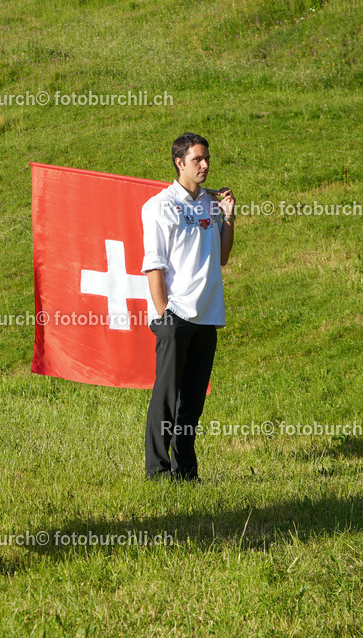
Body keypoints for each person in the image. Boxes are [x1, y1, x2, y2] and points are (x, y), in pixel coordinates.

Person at [140, 132, 235, 482]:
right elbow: (154, 263)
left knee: (192, 401)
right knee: (166, 397)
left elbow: (222, 258)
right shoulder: (160, 206)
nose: (206, 164)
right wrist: (164, 311)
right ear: (180, 163)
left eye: (207, 158)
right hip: (175, 314)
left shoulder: (211, 204)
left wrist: (229, 218)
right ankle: (157, 469)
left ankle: (186, 471)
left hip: (207, 315)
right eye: (198, 159)